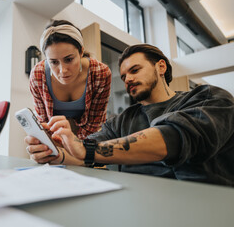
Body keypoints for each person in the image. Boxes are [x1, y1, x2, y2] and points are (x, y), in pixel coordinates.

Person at [25, 44, 234, 186]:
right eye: (124, 76)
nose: (128, 80)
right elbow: (83, 155)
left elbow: (176, 136)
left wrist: (85, 149)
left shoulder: (209, 98)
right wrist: (58, 154)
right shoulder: (121, 121)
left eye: (135, 70)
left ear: (161, 67)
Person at [29, 20, 111, 139]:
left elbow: (94, 124)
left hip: (86, 133)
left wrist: (76, 147)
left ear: (81, 52)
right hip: (53, 133)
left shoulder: (100, 73)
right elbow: (43, 123)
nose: (63, 70)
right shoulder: (38, 75)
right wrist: (56, 147)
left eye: (69, 59)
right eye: (54, 62)